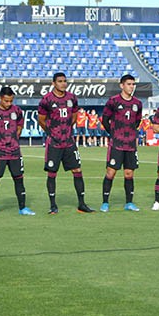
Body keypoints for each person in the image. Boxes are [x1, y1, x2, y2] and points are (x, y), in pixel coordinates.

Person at [37, 72, 95, 214]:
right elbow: (41, 120)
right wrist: (52, 132)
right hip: (54, 143)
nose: (63, 83)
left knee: (77, 170)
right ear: (53, 83)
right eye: (60, 81)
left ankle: (82, 204)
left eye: (64, 81)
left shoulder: (72, 98)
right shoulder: (46, 100)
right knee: (52, 173)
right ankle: (53, 206)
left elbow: (74, 116)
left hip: (69, 142)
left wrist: (66, 129)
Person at [0, 86, 35, 217]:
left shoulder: (17, 110)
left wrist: (15, 138)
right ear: (0, 98)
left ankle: (22, 208)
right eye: (6, 101)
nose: (8, 104)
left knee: (19, 179)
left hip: (14, 152)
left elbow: (20, 125)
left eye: (11, 101)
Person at [100, 74, 143, 212]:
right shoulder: (113, 101)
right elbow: (105, 119)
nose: (131, 87)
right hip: (116, 144)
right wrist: (113, 133)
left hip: (130, 144)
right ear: (122, 85)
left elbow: (137, 121)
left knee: (129, 174)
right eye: (129, 84)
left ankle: (129, 203)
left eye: (133, 84)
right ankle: (105, 202)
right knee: (111, 172)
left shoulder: (137, 103)